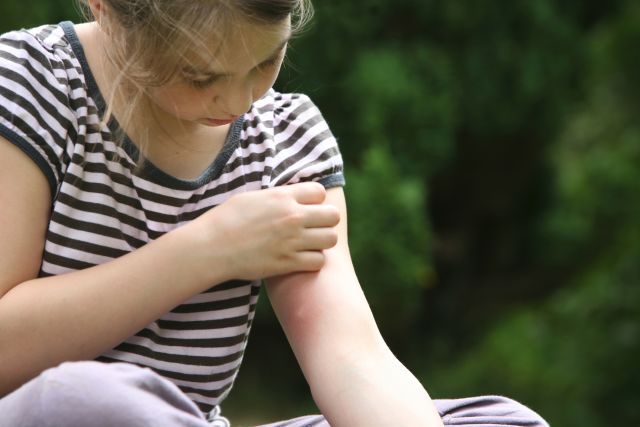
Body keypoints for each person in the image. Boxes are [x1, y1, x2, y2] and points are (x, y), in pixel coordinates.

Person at [0, 0, 549, 426]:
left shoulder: (287, 141)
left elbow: (352, 356)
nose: (240, 101)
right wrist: (206, 250)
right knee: (84, 401)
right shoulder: (29, 83)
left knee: (504, 420)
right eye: (200, 77)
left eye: (266, 60)